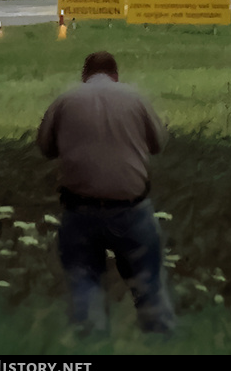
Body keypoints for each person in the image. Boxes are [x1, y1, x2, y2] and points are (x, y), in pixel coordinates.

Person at [36, 51, 174, 335]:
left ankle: (92, 343)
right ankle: (162, 342)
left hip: (80, 208)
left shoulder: (65, 100)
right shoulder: (135, 98)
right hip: (131, 207)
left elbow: (45, 148)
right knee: (148, 284)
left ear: (84, 75)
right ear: (115, 74)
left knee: (84, 282)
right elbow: (158, 143)